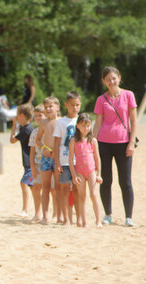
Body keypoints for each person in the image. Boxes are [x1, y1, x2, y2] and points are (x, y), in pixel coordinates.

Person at [93, 66, 138, 227]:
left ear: (119, 77)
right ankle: (108, 214)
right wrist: (93, 143)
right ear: (103, 81)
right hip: (104, 143)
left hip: (123, 143)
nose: (111, 81)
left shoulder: (128, 95)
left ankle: (128, 216)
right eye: (108, 79)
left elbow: (133, 121)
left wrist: (131, 143)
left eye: (114, 78)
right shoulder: (101, 99)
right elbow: (97, 123)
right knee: (105, 180)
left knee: (125, 181)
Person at [69, 113, 103, 228]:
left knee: (94, 195)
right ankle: (84, 222)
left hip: (91, 171)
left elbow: (97, 158)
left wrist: (99, 174)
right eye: (83, 125)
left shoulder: (93, 141)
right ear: (77, 125)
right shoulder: (73, 141)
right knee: (82, 197)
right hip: (79, 172)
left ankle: (98, 221)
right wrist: (74, 175)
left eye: (88, 125)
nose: (86, 128)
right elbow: (70, 159)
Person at [53, 91, 81, 225]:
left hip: (78, 161)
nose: (74, 108)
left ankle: (78, 217)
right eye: (72, 105)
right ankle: (66, 218)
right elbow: (57, 142)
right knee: (64, 190)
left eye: (77, 105)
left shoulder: (82, 120)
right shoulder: (61, 122)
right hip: (64, 162)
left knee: (76, 190)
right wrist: (57, 163)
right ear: (66, 105)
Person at [35, 96, 60, 225]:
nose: (48, 109)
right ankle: (45, 216)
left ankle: (58, 214)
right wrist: (44, 148)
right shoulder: (43, 123)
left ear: (57, 107)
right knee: (45, 187)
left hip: (58, 158)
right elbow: (38, 139)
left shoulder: (61, 122)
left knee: (57, 187)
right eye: (46, 107)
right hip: (45, 157)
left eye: (51, 106)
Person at [9, 104, 34, 217]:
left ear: (22, 116)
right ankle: (37, 209)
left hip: (30, 162)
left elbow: (12, 140)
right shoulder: (26, 128)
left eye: (17, 115)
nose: (16, 117)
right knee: (33, 187)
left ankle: (25, 210)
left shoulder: (26, 130)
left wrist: (14, 126)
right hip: (28, 161)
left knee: (23, 183)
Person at [28, 105, 46, 222]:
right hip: (38, 163)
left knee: (52, 189)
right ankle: (37, 213)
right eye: (36, 116)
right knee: (36, 188)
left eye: (40, 115)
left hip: (49, 163)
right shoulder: (34, 132)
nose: (38, 118)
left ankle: (54, 213)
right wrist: (33, 167)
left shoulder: (51, 130)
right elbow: (32, 151)